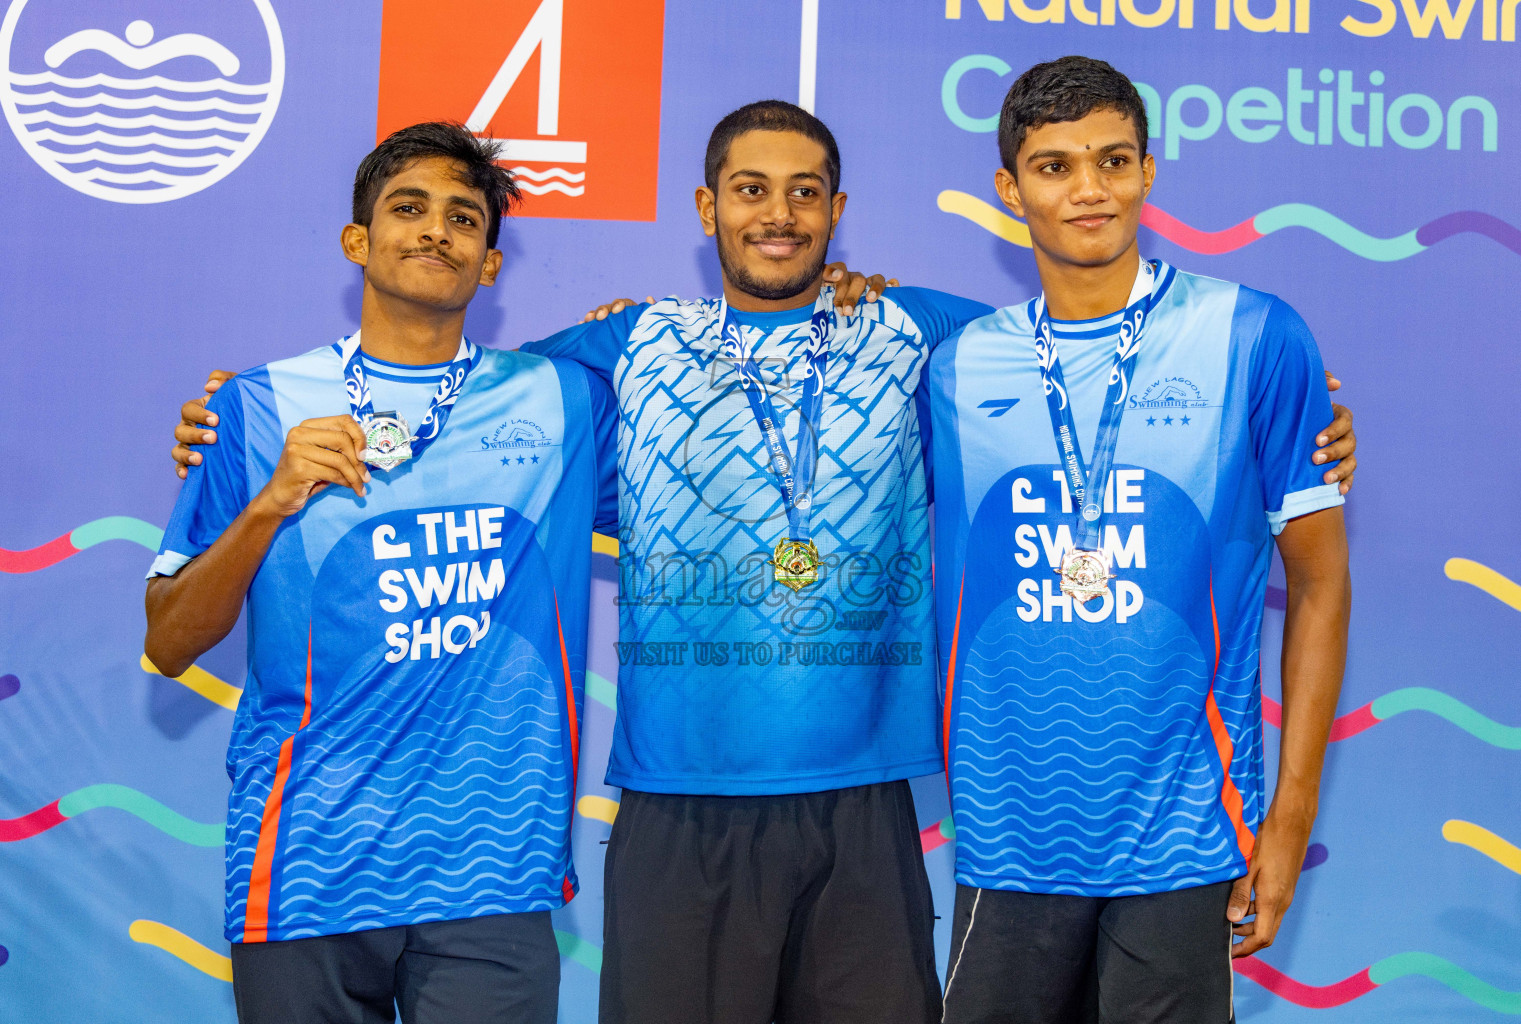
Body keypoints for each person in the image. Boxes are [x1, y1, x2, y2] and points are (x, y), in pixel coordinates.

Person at [167, 101, 1358, 1024]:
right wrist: (236, 421)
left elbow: (1089, 357)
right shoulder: (615, 351)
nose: (776, 214)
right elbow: (443, 390)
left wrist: (1306, 421)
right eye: (749, 191)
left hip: (865, 809)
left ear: (839, 210)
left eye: (803, 193)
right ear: (706, 207)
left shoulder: (929, 333)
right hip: (678, 814)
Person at [144, 122, 622, 1024]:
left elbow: (695, 503)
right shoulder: (255, 407)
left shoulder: (563, 399)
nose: (436, 229)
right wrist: (268, 502)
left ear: (490, 264)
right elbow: (170, 641)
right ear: (357, 241)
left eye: (465, 218)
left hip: (492, 869)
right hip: (306, 868)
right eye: (409, 208)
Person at [925, 56, 1351, 1023]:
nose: (1089, 191)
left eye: (1114, 160)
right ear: (1009, 189)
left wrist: (1290, 819)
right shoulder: (951, 368)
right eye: (1055, 166)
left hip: (1187, 834)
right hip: (1008, 836)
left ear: (1149, 172)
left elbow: (1320, 586)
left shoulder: (1256, 338)